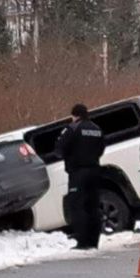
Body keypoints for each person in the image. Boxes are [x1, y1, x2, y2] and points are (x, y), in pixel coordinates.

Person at [57, 104, 106, 250]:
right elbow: (101, 148)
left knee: (77, 206)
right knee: (93, 206)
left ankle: (82, 241)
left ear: (75, 115)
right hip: (94, 170)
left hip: (78, 172)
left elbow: (59, 149)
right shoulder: (97, 129)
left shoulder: (72, 128)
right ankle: (94, 240)